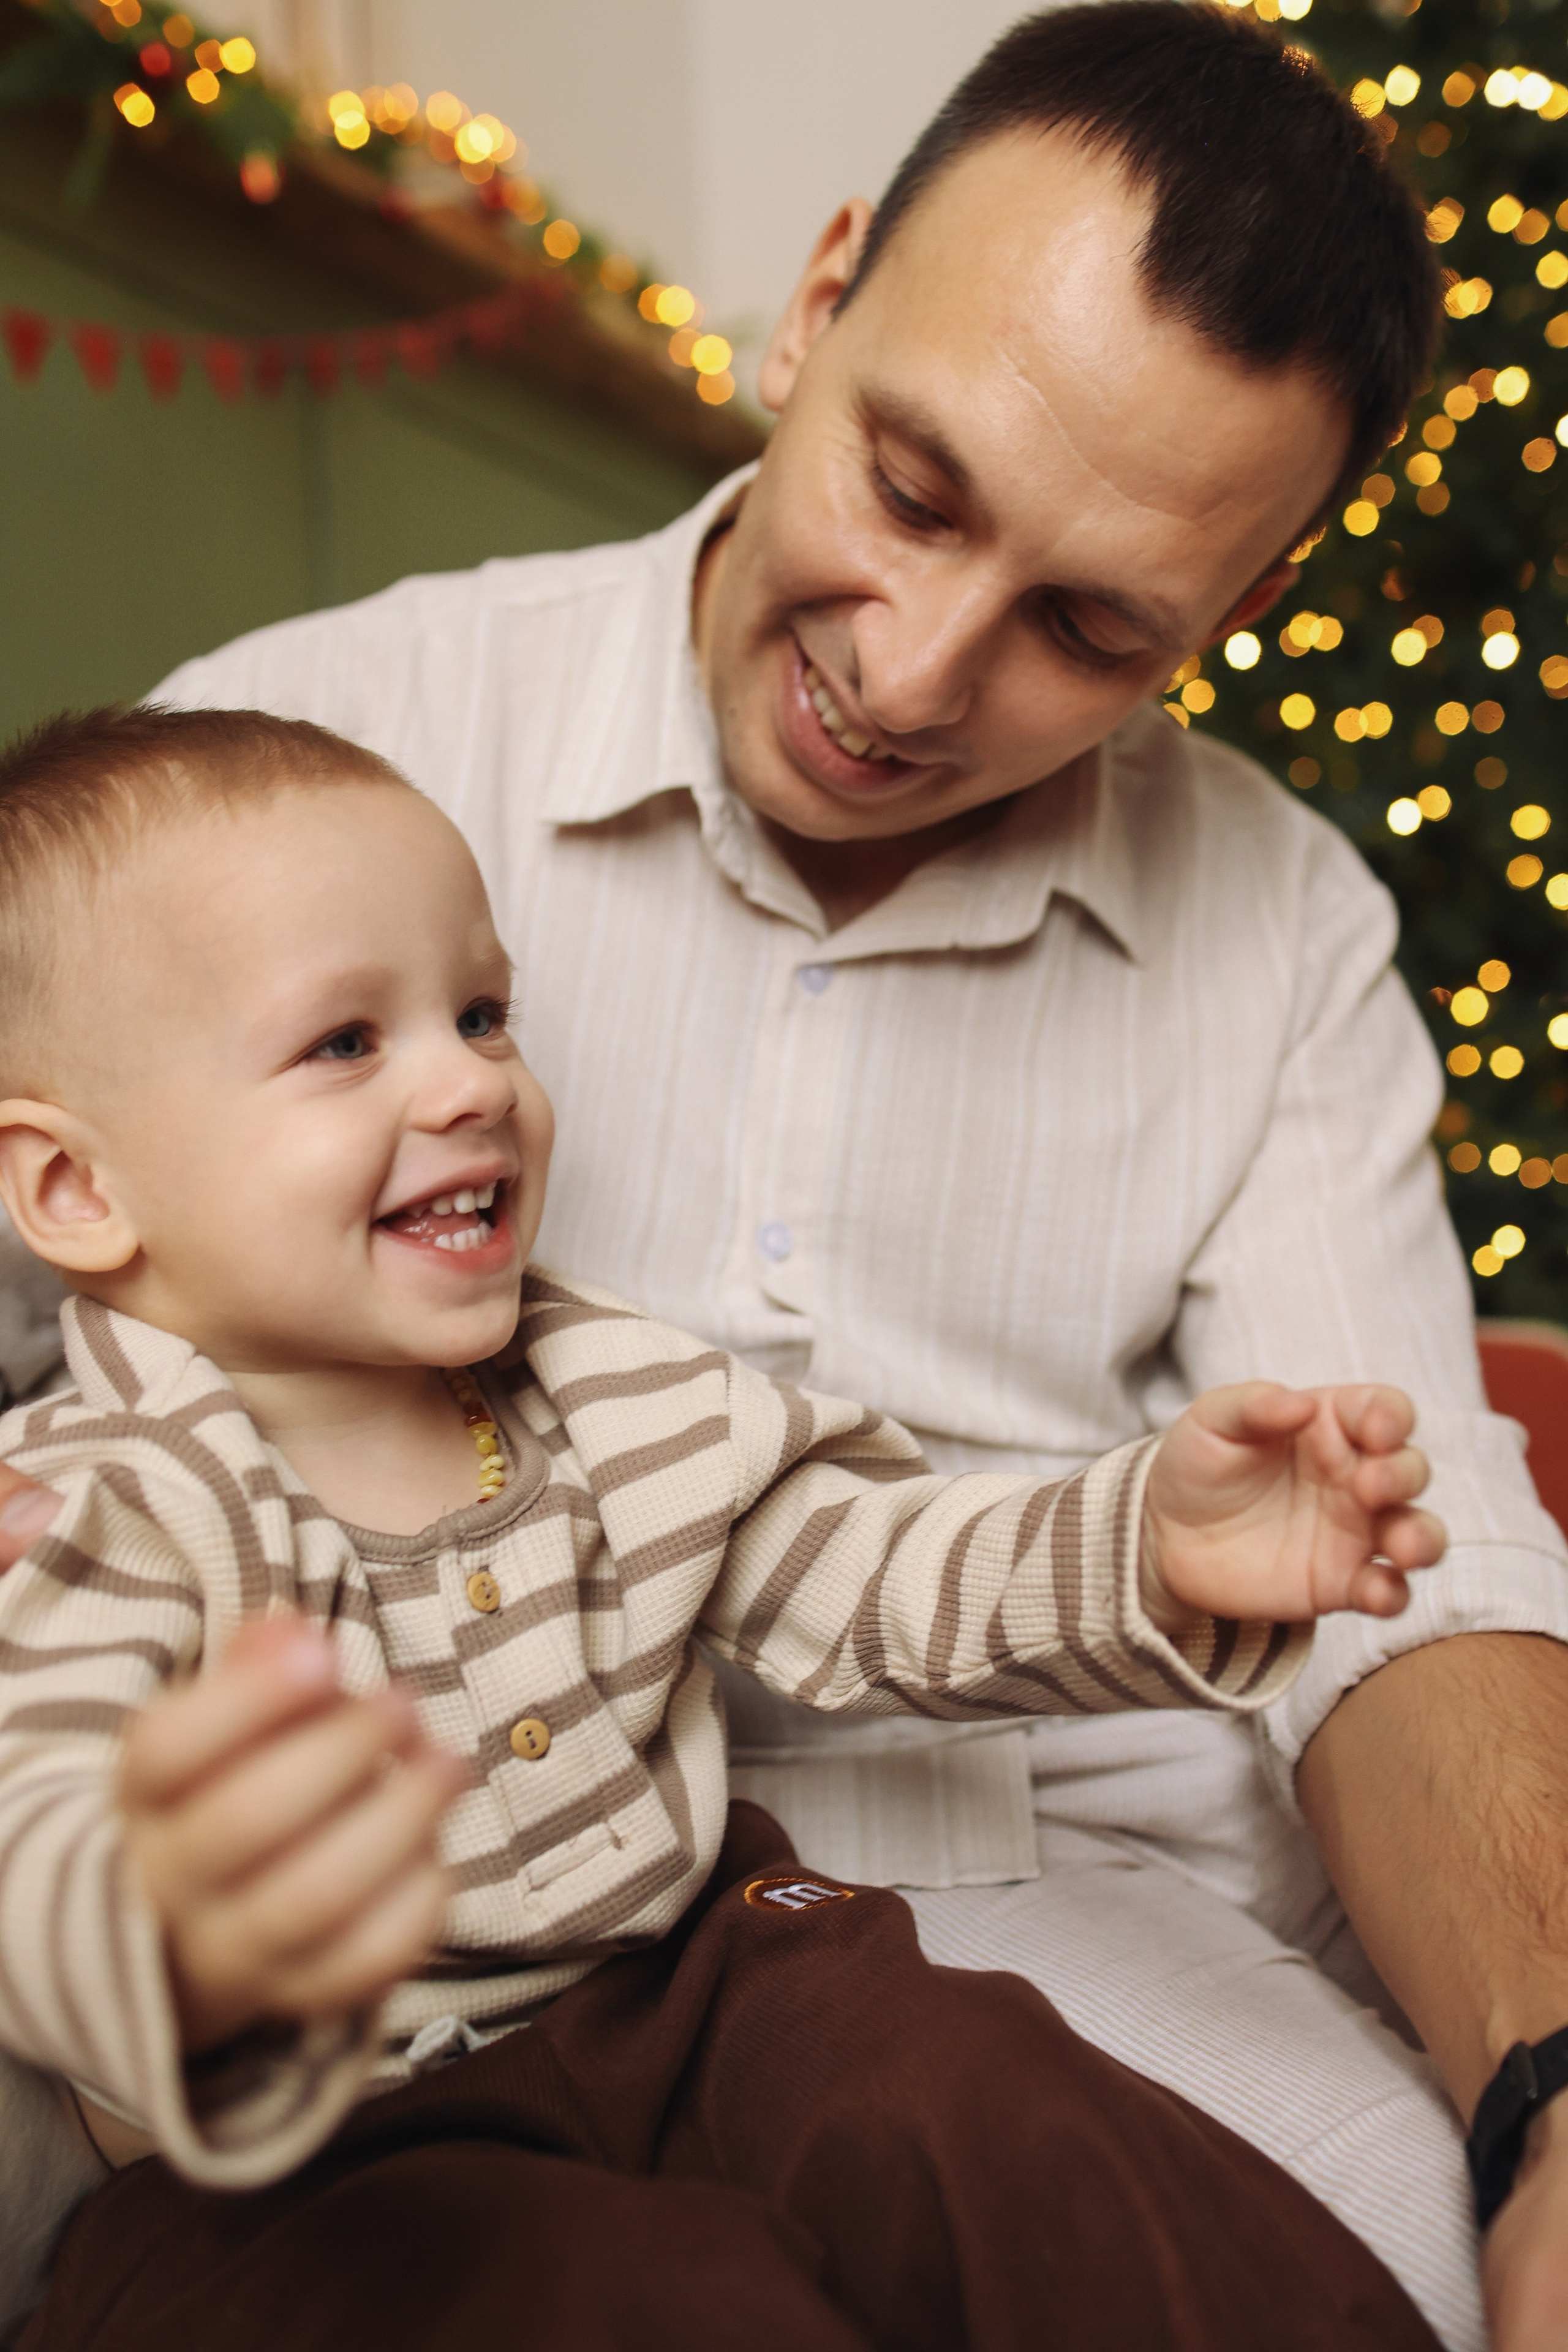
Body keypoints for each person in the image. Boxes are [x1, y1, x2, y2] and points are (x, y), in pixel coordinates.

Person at [1, 4, 1566, 2345]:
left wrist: (1546, 2099)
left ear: (1223, 630)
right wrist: (165, 1908)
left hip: (987, 1922)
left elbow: (1351, 1573)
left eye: (1092, 626)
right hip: (347, 2034)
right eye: (914, 490)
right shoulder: (294, 776)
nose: (920, 673)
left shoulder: (1266, 934)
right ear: (818, 298)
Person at [0, 703, 1449, 2352]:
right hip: (310, 2146)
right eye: (346, 1043)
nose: (472, 1080)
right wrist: (177, 1917)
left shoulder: (607, 1392)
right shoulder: (92, 1510)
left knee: (982, 2094)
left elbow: (872, 1579)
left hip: (693, 1992)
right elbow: (34, 1822)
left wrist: (1145, 1551)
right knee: (633, 2305)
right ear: (74, 1195)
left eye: (483, 1013)